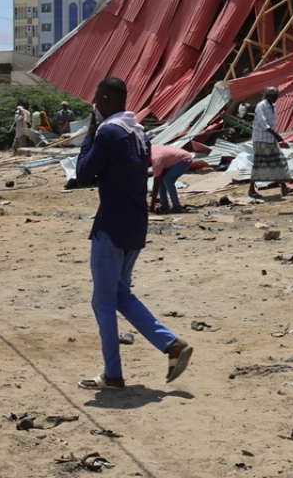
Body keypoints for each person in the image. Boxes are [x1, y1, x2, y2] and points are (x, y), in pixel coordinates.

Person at [75, 76, 192, 391]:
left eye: (96, 99)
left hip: (111, 226)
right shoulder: (139, 133)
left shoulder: (108, 132)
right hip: (135, 225)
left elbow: (83, 174)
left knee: (103, 301)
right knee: (120, 294)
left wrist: (89, 133)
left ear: (104, 100)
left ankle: (113, 374)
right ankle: (172, 345)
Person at [247, 86, 292, 200]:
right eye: (274, 96)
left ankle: (284, 187)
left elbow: (272, 124)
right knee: (259, 164)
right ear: (268, 95)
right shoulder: (261, 106)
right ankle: (251, 190)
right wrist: (277, 136)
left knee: (279, 161)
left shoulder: (273, 106)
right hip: (261, 140)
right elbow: (264, 125)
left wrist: (275, 136)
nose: (276, 98)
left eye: (277, 96)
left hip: (270, 139)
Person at [148, 143, 193, 214]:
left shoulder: (156, 160)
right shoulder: (148, 149)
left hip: (184, 159)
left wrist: (152, 206)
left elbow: (155, 185)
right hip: (171, 160)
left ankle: (177, 207)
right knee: (161, 180)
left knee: (168, 180)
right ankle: (164, 205)